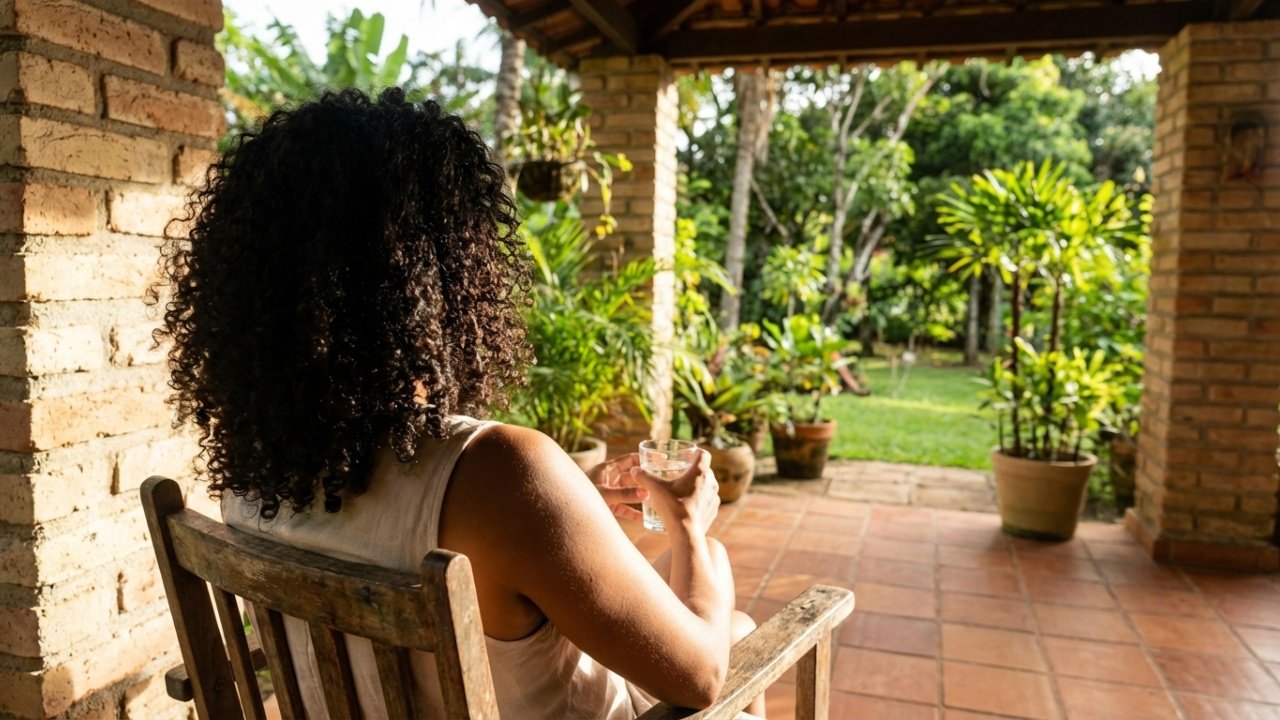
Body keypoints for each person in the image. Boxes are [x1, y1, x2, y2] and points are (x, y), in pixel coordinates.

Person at [155, 87, 761, 718]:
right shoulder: (500, 470)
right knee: (732, 621)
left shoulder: (257, 474)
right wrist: (689, 525)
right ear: (445, 274)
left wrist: (571, 506)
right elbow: (699, 678)